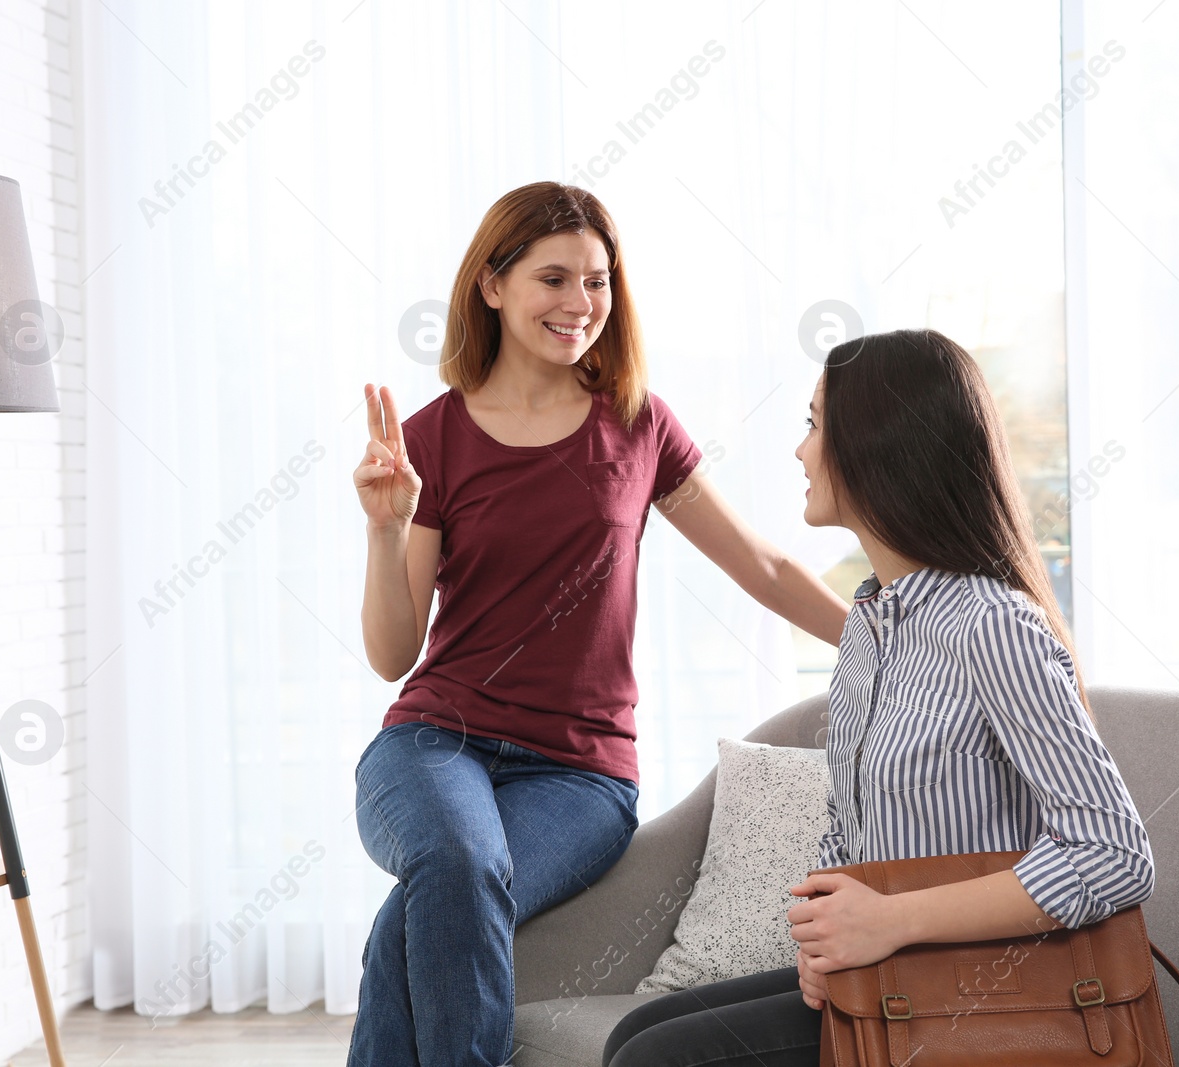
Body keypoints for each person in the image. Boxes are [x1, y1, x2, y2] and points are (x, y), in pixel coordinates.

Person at [346, 181, 852, 1066]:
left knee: (419, 915)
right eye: (554, 278)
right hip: (434, 745)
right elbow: (393, 655)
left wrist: (892, 635)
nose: (581, 304)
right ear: (492, 287)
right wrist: (386, 527)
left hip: (579, 777)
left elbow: (763, 566)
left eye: (598, 279)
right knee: (457, 867)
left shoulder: (638, 424)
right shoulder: (433, 438)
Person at [602, 328, 1156, 1067]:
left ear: (878, 444)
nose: (800, 451)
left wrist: (891, 920)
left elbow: (1116, 851)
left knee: (657, 1058)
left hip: (985, 992)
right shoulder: (867, 623)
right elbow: (850, 829)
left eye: (813, 423)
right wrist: (830, 940)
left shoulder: (993, 625)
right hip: (896, 976)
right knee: (635, 1034)